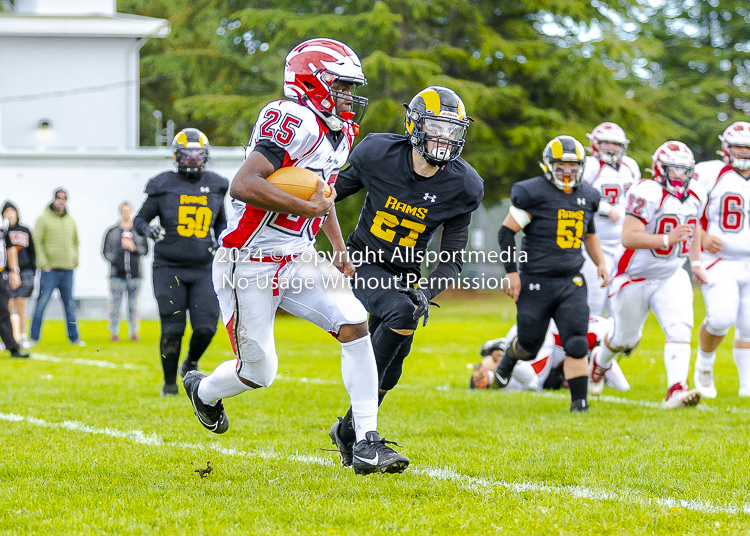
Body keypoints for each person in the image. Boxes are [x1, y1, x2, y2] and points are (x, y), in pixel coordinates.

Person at [181, 38, 409, 475]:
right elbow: (245, 184)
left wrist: (339, 249)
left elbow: (321, 196)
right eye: (341, 86)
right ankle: (205, 391)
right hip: (247, 259)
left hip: (297, 255)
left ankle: (366, 441)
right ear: (312, 82)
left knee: (353, 320)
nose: (349, 96)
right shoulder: (293, 118)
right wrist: (307, 207)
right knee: (260, 371)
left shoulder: (340, 132)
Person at [327, 85, 484, 466]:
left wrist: (426, 291)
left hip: (405, 273)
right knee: (400, 312)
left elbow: (450, 258)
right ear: (415, 125)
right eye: (437, 126)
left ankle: (347, 431)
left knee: (394, 366)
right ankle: (367, 440)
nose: (445, 137)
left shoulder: (463, 184)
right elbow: (326, 196)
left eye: (452, 129)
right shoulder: (379, 153)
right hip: (363, 259)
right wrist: (332, 248)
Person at [589, 141, 707, 408]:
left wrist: (696, 262)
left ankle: (676, 388)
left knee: (679, 328)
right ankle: (599, 362)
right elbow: (629, 237)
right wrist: (668, 238)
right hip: (634, 275)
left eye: (684, 170)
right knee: (625, 338)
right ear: (659, 169)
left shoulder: (697, 193)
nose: (679, 176)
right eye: (673, 170)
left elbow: (694, 227)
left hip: (670, 272)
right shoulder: (646, 191)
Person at [494, 135, 608, 413]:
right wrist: (511, 272)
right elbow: (506, 232)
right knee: (529, 346)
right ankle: (510, 355)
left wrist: (601, 263)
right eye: (561, 165)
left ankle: (579, 404)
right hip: (536, 280)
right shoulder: (533, 193)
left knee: (577, 342)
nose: (567, 172)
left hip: (571, 280)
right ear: (548, 165)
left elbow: (589, 235)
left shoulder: (589, 196)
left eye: (573, 166)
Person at [134, 129, 228, 396]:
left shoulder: (217, 184)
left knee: (207, 327)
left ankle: (191, 361)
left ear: (205, 156)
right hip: (169, 267)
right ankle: (169, 384)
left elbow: (221, 224)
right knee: (173, 328)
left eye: (197, 154)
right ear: (177, 156)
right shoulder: (163, 185)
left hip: (203, 267)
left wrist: (223, 241)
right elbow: (140, 220)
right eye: (187, 155)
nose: (192, 159)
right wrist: (148, 230)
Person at [692, 121, 750, 398]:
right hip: (718, 259)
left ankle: (747, 386)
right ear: (725, 147)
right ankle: (704, 365)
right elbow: (685, 210)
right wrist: (700, 236)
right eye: (738, 145)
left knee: (749, 326)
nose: (743, 152)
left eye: (747, 146)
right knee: (720, 318)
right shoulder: (709, 172)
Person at [470, 315, 630, 392]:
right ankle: (507, 353)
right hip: (546, 337)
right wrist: (625, 389)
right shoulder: (608, 334)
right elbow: (608, 364)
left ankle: (490, 374)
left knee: (533, 382)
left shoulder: (601, 322)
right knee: (533, 384)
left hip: (535, 328)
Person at [581, 123, 641, 316]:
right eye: (606, 142)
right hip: (594, 243)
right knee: (594, 298)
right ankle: (591, 341)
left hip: (623, 245)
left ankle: (610, 343)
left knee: (619, 299)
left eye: (615, 143)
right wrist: (606, 208)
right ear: (595, 144)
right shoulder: (589, 166)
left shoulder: (630, 166)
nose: (611, 148)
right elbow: (577, 195)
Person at [30, 188, 84, 346]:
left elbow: (76, 242)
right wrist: (43, 263)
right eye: (59, 198)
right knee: (41, 304)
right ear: (54, 199)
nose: (61, 201)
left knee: (69, 305)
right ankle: (34, 337)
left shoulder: (71, 220)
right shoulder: (43, 219)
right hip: (50, 271)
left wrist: (75, 260)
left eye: (64, 198)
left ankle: (74, 338)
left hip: (67, 270)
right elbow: (37, 242)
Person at [102, 202, 148, 342]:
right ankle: (114, 333)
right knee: (115, 306)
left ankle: (134, 333)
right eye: (124, 211)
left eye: (129, 211)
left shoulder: (138, 231)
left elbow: (145, 250)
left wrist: (134, 248)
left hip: (135, 276)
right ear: (120, 213)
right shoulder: (112, 232)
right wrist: (116, 260)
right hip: (117, 276)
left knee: (133, 307)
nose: (126, 213)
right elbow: (106, 252)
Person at [2, 201, 36, 348]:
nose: (10, 215)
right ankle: (7, 338)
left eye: (12, 211)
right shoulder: (4, 230)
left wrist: (32, 269)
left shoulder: (24, 230)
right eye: (7, 212)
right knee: (6, 305)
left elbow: (31, 251)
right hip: (6, 272)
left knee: (21, 304)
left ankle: (22, 336)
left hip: (23, 271)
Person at [0, 214, 30, 358]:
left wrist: (14, 270)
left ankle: (13, 348)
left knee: (3, 310)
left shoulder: (1, 222)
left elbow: (9, 247)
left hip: (0, 272)